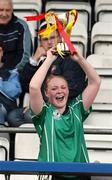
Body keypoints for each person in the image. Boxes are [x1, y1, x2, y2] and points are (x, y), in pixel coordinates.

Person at [29, 47, 101, 180]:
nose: (59, 91)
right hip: (51, 175)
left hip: (81, 174)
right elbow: (34, 87)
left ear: (68, 91)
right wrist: (49, 59)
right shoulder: (44, 113)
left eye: (63, 87)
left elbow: (95, 82)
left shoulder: (77, 109)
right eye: (54, 88)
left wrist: (80, 59)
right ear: (46, 93)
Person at [7, 20, 87, 127]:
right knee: (13, 116)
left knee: (29, 117)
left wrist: (42, 104)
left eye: (52, 38)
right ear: (40, 42)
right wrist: (34, 59)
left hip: (65, 108)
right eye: (45, 39)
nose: (49, 42)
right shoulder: (41, 60)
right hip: (44, 106)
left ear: (59, 39)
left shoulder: (70, 58)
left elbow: (73, 89)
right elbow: (25, 85)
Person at [0, 0, 33, 71]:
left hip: (14, 73)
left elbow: (25, 56)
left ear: (12, 10)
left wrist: (10, 72)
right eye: (1, 10)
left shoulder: (21, 26)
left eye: (8, 10)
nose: (4, 14)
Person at [0, 42, 22, 125]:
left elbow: (15, 91)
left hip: (6, 108)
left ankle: (2, 137)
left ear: (2, 52)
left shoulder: (11, 71)